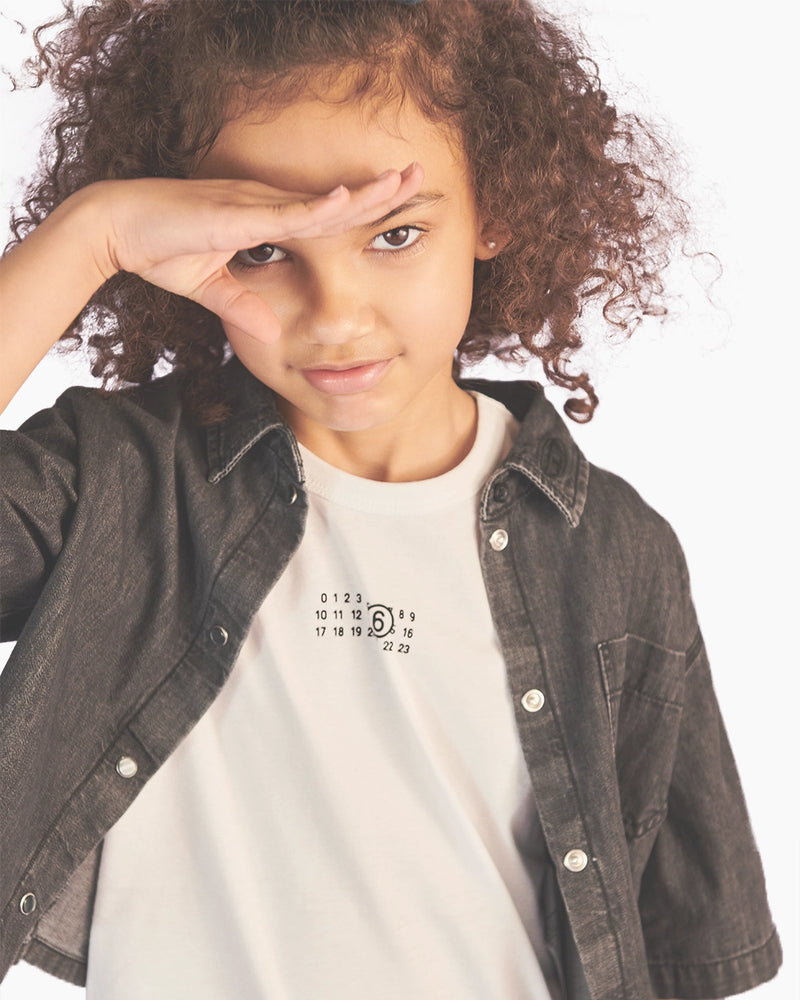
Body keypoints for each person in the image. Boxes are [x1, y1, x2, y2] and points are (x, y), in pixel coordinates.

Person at [0, 1, 782, 997]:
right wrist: (92, 236)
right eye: (264, 249)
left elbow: (685, 944)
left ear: (493, 204)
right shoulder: (117, 484)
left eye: (394, 233)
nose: (336, 315)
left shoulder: (611, 549)